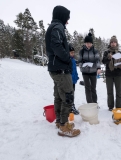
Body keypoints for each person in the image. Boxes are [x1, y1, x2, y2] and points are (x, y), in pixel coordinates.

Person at [45, 5, 80, 137]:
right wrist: (67, 58)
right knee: (68, 96)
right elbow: (56, 45)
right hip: (60, 69)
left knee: (59, 96)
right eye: (67, 18)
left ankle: (60, 122)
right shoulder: (57, 27)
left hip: (55, 68)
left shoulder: (53, 26)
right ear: (62, 16)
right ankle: (64, 126)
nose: (68, 21)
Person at [102, 36, 121, 111]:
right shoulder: (106, 52)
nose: (113, 44)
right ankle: (110, 107)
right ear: (110, 43)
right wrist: (108, 58)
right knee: (110, 92)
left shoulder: (120, 53)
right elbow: (103, 61)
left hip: (118, 74)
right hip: (109, 74)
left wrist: (120, 65)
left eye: (114, 42)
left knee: (119, 92)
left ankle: (118, 107)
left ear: (116, 43)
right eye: (112, 42)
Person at [79, 33, 101, 104]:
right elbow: (79, 61)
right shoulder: (81, 51)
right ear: (85, 43)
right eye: (87, 43)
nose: (88, 44)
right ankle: (89, 103)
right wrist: (82, 66)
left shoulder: (95, 51)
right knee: (87, 88)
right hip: (85, 72)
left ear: (92, 43)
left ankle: (94, 103)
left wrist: (98, 68)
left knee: (93, 88)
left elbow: (97, 60)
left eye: (90, 43)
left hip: (93, 71)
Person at [69, 44, 80, 115]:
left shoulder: (73, 60)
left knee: (73, 93)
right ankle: (70, 107)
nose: (73, 54)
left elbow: (75, 70)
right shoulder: (68, 60)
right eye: (71, 52)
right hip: (69, 80)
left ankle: (72, 105)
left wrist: (76, 76)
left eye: (73, 52)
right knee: (69, 94)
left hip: (73, 80)